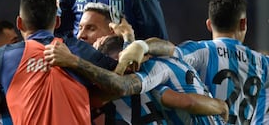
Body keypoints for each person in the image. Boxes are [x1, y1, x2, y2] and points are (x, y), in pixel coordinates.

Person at [120, 0, 269, 125]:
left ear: (209, 25)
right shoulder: (262, 63)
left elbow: (170, 50)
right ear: (243, 24)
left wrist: (142, 46)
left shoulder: (203, 51)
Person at [44, 38, 228, 124]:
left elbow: (120, 85)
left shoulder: (154, 70)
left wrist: (73, 61)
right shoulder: (171, 61)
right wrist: (139, 44)